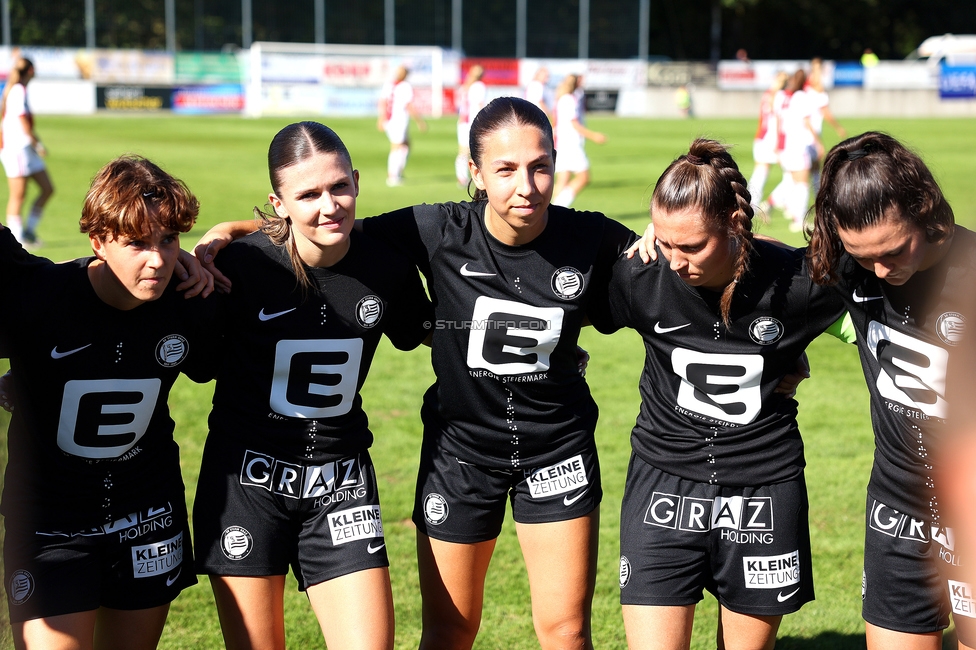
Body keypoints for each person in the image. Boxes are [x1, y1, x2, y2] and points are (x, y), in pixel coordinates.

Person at [191, 121, 433, 650]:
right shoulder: (239, 266)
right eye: (308, 195)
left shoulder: (387, 268)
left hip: (342, 482)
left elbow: (435, 333)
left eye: (339, 186)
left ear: (357, 181)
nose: (329, 206)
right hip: (246, 486)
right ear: (278, 204)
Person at [611, 139, 846, 650]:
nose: (675, 262)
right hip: (662, 485)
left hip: (763, 489)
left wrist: (791, 359)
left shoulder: (797, 282)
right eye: (665, 241)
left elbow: (884, 304)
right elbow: (560, 304)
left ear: (736, 225)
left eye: (691, 247)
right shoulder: (639, 274)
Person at [0, 155, 216, 649]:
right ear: (98, 240)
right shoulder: (37, 296)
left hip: (150, 517)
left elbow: (291, 230)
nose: (157, 260)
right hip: (50, 527)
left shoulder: (190, 298)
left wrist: (221, 234)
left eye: (168, 240)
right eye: (137, 243)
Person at [808, 132, 976, 650]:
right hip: (896, 509)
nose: (881, 270)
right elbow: (758, 266)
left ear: (923, 208)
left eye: (894, 250)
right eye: (863, 257)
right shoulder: (846, 267)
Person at [1, 57, 54, 246]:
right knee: (18, 195)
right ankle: (16, 241)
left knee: (47, 189)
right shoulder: (18, 90)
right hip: (17, 149)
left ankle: (29, 230)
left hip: (25, 149)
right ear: (30, 70)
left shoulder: (18, 89)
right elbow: (22, 120)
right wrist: (37, 144)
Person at [769, 69, 821, 232]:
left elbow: (778, 120)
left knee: (792, 180)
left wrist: (777, 144)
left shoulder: (782, 96)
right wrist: (818, 142)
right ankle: (799, 219)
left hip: (785, 144)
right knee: (802, 184)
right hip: (797, 144)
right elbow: (807, 122)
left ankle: (786, 209)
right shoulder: (801, 97)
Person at [552, 74, 606, 208]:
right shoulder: (570, 99)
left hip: (561, 143)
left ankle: (552, 211)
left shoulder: (561, 98)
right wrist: (593, 136)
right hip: (571, 144)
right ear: (576, 83)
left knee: (563, 179)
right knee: (584, 177)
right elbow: (574, 123)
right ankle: (559, 207)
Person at [377, 65, 426, 187]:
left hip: (390, 119)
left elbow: (383, 101)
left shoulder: (389, 84)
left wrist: (381, 118)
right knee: (396, 147)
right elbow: (409, 105)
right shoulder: (405, 86)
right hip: (398, 120)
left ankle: (398, 171)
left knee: (406, 145)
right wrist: (420, 121)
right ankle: (392, 177)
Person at [804, 58, 846, 193]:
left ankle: (818, 196)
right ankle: (773, 200)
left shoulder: (807, 88)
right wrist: (838, 127)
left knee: (814, 167)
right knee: (803, 171)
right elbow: (826, 112)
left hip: (810, 131)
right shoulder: (815, 90)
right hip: (810, 132)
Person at [747, 71, 788, 210]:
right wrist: (778, 142)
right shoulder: (779, 95)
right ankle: (775, 201)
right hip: (771, 139)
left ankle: (752, 205)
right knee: (793, 174)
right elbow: (777, 119)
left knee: (760, 174)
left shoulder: (767, 94)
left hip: (763, 137)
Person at [455, 65, 487, 188]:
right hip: (473, 121)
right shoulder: (479, 86)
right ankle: (471, 176)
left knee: (463, 150)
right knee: (476, 150)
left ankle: (462, 177)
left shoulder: (465, 87)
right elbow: (480, 104)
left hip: (463, 121)